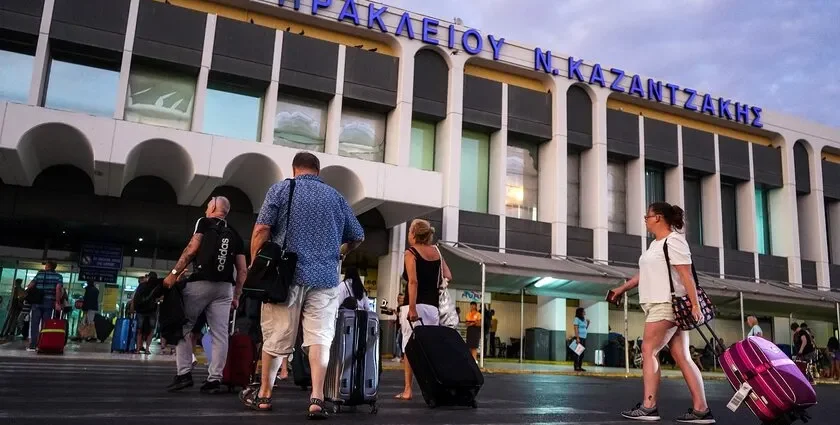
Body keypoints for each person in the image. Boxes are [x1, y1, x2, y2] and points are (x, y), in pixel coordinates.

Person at [245, 151, 365, 418]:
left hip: (285, 277)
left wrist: (255, 264)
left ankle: (264, 395)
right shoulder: (336, 197)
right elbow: (357, 235)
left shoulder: (281, 189)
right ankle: (317, 398)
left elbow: (261, 229)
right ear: (318, 170)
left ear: (294, 169)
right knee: (319, 338)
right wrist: (342, 252)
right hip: (325, 278)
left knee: (277, 334)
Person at [609, 202, 715, 423]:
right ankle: (701, 410)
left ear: (657, 217)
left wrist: (695, 305)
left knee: (648, 350)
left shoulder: (674, 241)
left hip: (665, 304)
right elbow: (644, 274)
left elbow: (686, 275)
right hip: (661, 304)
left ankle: (649, 407)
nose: (645, 221)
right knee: (682, 356)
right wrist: (622, 289)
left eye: (646, 217)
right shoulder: (655, 245)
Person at [163, 195, 248, 394]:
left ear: (213, 208)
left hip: (200, 284)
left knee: (184, 326)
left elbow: (192, 249)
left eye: (207, 206)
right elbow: (242, 270)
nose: (205, 210)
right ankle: (214, 379)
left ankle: (184, 373)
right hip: (225, 289)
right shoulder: (235, 233)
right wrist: (236, 296)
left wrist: (173, 274)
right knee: (220, 334)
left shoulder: (204, 222)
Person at [395, 218, 448, 401]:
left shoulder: (410, 253)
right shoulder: (437, 252)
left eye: (410, 229)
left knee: (410, 348)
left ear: (414, 234)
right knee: (429, 348)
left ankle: (408, 390)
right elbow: (448, 275)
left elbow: (413, 281)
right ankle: (434, 387)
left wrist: (411, 308)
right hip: (432, 307)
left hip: (414, 305)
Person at [26, 261, 64, 352]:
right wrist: (57, 302)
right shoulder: (58, 276)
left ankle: (33, 345)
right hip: (49, 302)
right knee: (45, 324)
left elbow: (30, 285)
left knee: (34, 324)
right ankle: (42, 344)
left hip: (37, 302)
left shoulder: (39, 275)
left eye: (46, 265)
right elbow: (58, 289)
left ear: (48, 266)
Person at [573, 307, 589, 372]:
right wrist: (577, 338)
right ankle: (576, 366)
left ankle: (580, 366)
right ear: (580, 312)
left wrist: (588, 323)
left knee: (582, 353)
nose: (584, 312)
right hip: (579, 337)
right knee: (578, 353)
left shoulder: (584, 319)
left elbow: (585, 328)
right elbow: (575, 329)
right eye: (583, 311)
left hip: (584, 337)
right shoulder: (576, 319)